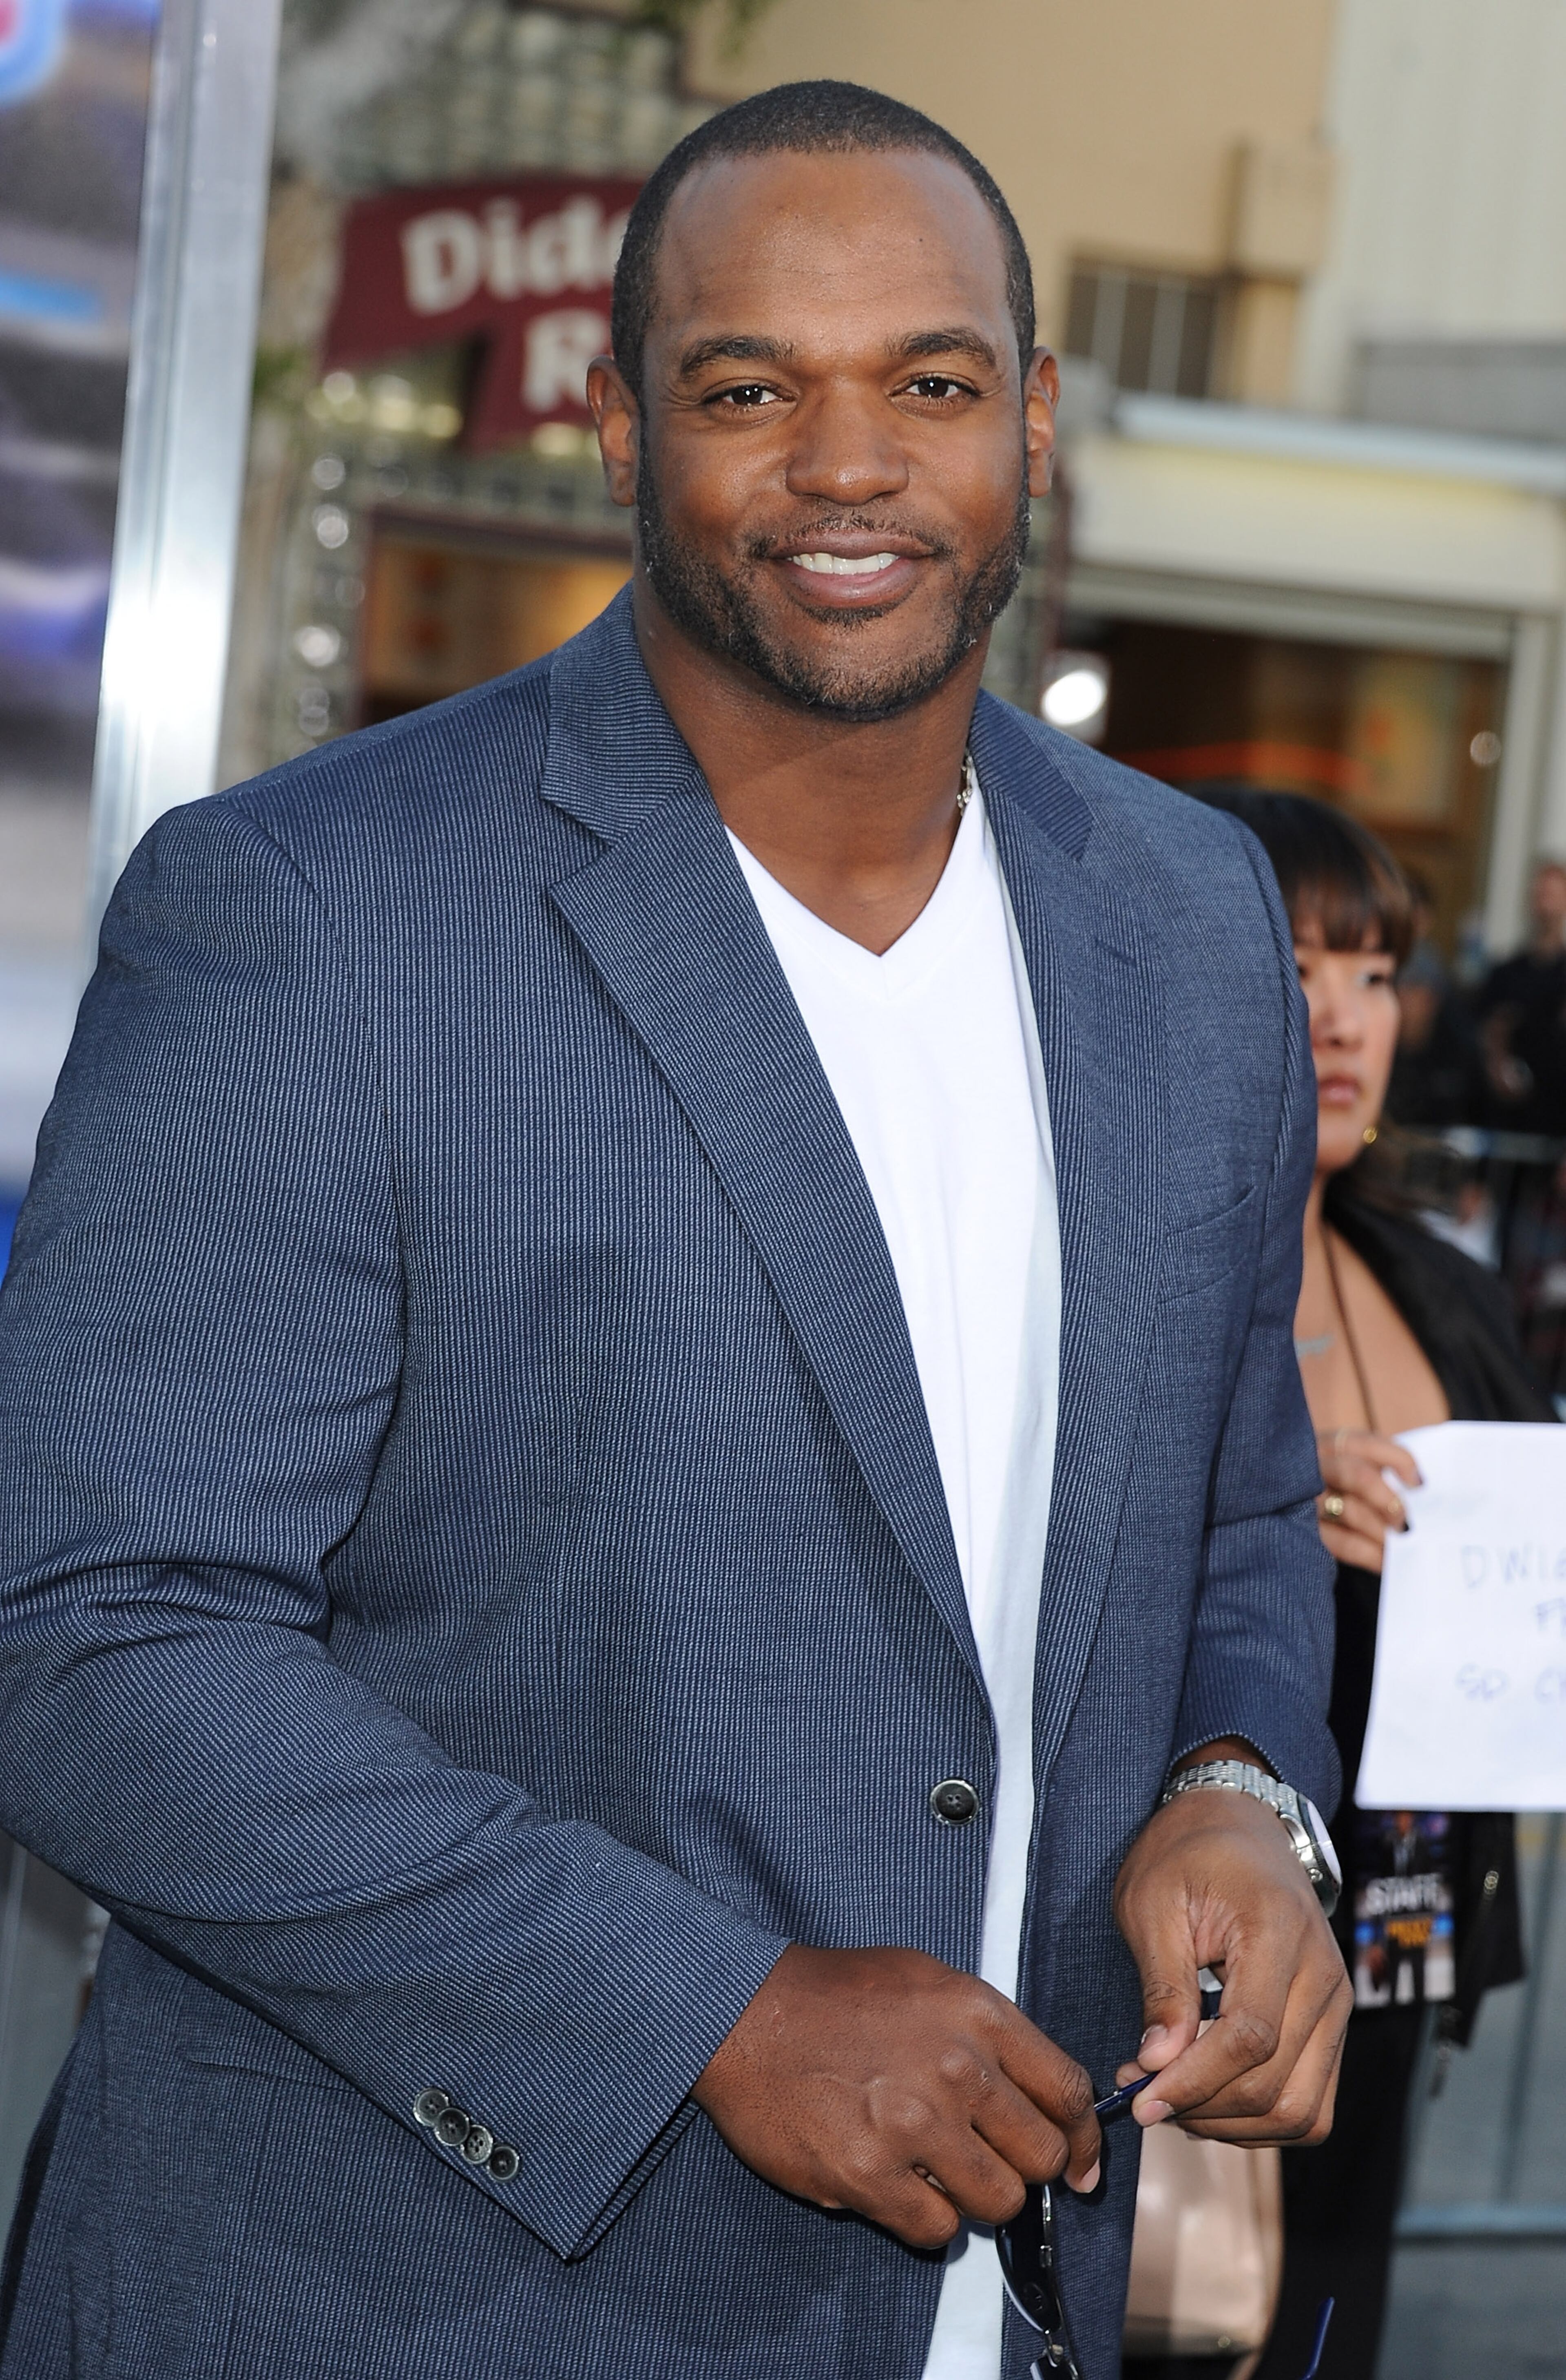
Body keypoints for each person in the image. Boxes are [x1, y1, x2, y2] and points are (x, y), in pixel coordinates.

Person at [0, 85, 1349, 2380]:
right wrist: (703, 2007)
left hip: (996, 2307)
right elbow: (93, 1638)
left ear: (1029, 421)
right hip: (407, 2302)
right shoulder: (314, 912)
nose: (850, 465)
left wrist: (1237, 1797)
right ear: (621, 429)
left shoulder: (1188, 911)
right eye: (748, 391)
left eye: (929, 382)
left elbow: (1229, 1498)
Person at [1200, 792, 1552, 2380]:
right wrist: (1261, 1503)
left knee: (1331, 2336)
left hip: (1404, 1940)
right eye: (1294, 968)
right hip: (1177, 1947)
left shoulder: (1441, 1284)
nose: (1344, 1021)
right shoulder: (1130, 1282)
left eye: (1377, 972)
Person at [1476, 856, 1566, 1136]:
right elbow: (1488, 1029)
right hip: (1508, 1112)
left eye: (1553, 894)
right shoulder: (1506, 973)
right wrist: (1497, 1065)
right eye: (1541, 894)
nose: (1546, 903)